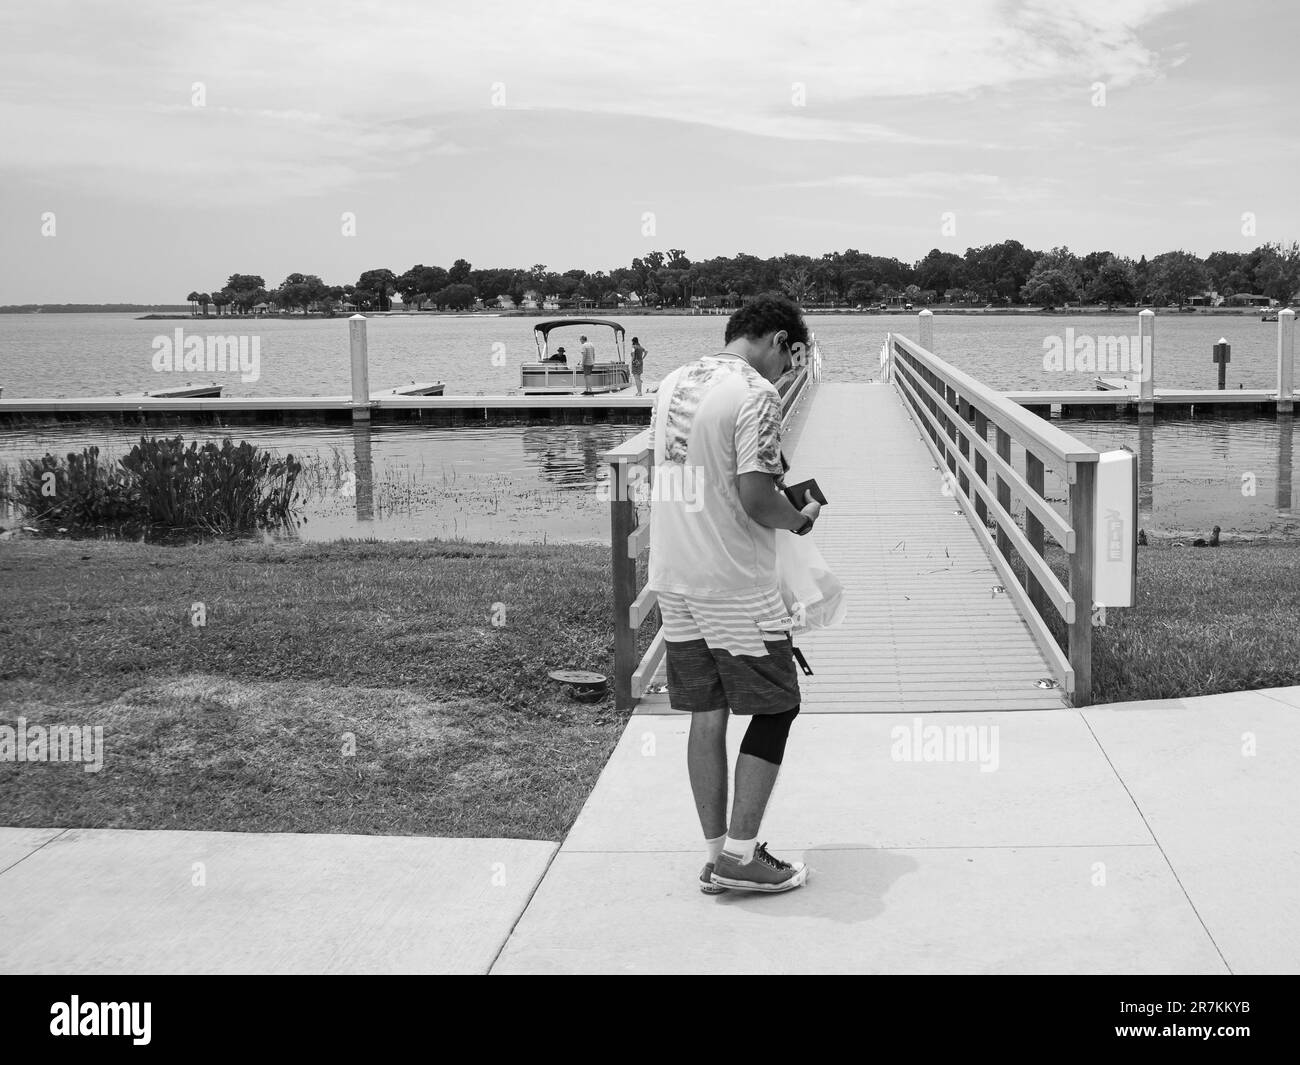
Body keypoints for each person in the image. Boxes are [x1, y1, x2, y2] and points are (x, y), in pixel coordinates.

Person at [646, 292, 820, 895]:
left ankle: (717, 854)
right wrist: (801, 517)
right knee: (778, 705)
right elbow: (754, 497)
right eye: (790, 357)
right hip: (732, 583)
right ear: (775, 339)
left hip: (674, 572)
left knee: (708, 712)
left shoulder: (673, 382)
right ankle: (742, 858)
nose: (788, 371)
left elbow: (680, 470)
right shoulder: (756, 394)